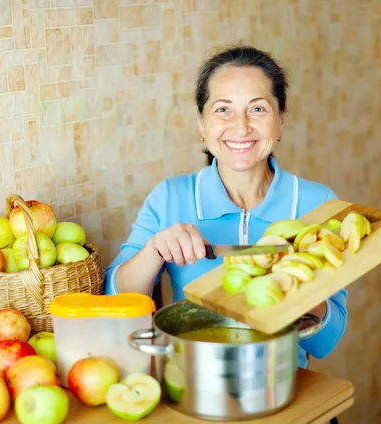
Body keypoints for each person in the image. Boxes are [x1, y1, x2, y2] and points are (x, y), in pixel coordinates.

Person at [103, 44, 347, 369]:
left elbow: (326, 342)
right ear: (202, 124)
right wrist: (153, 251)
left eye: (258, 109)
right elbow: (112, 302)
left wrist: (293, 280)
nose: (242, 126)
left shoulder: (320, 204)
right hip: (194, 384)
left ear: (281, 120)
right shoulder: (170, 198)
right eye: (223, 109)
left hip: (281, 385)